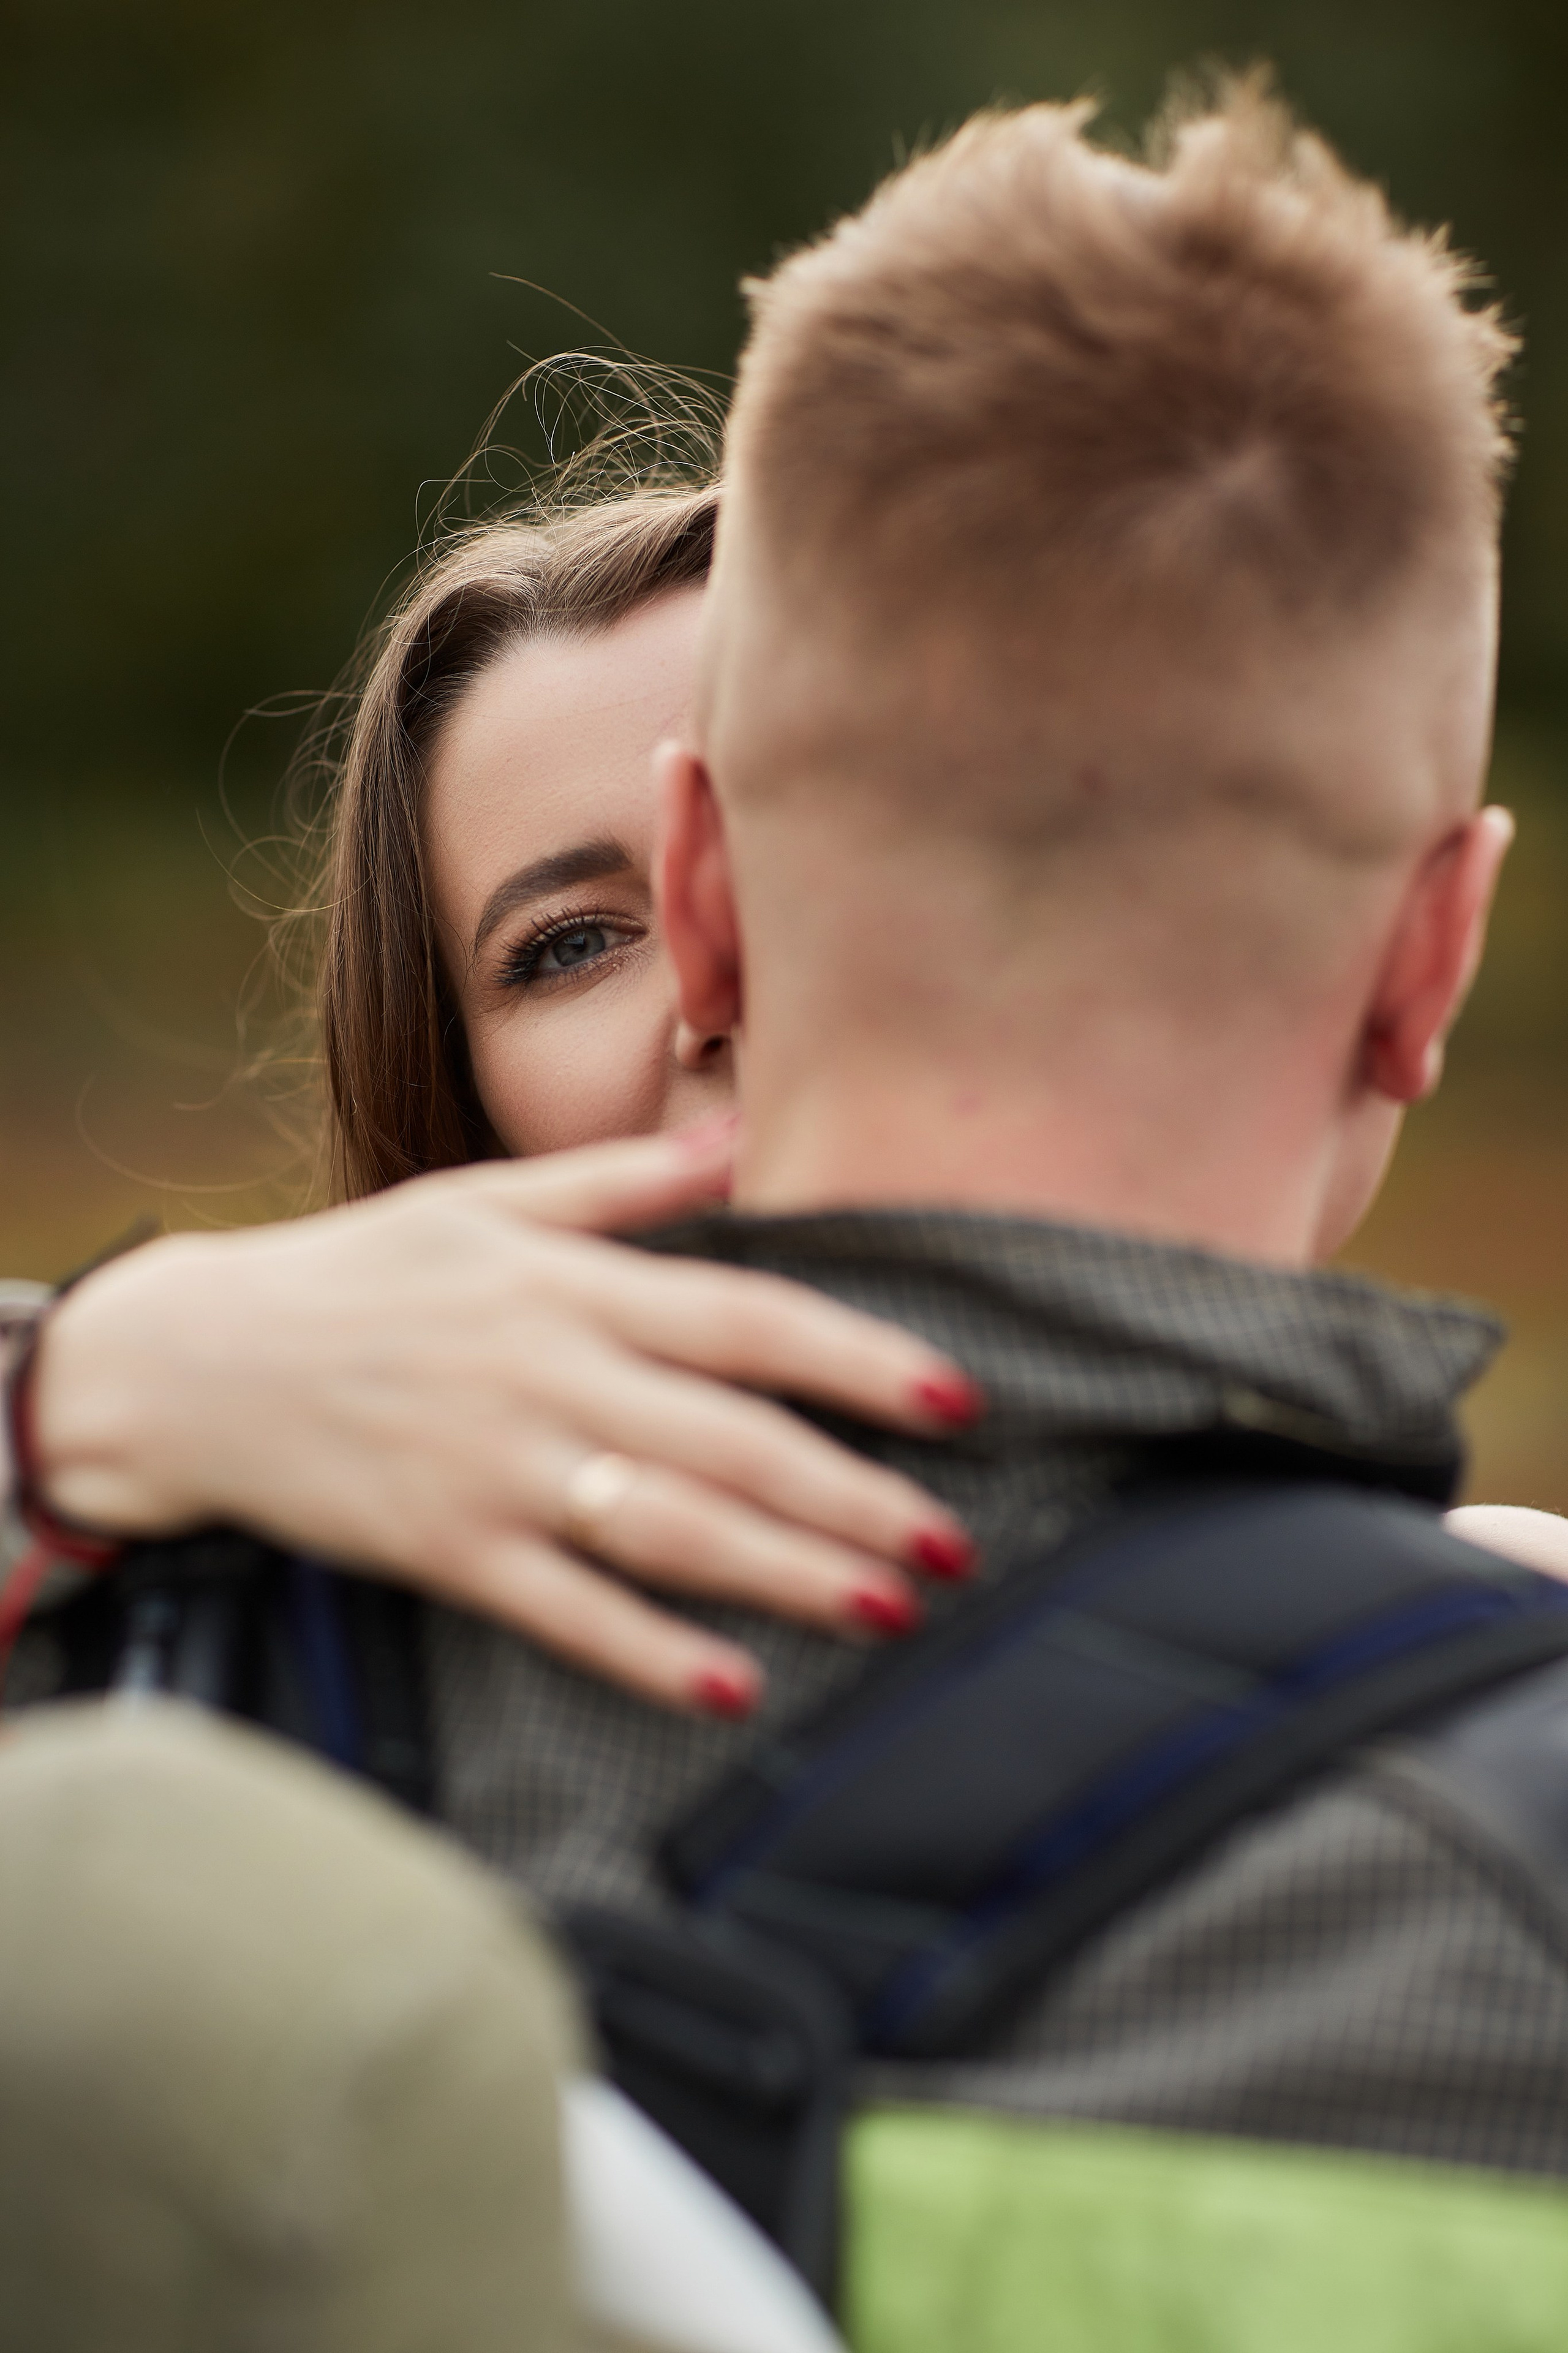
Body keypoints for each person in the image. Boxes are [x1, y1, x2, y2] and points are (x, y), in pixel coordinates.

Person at [410, 75, 1568, 2179]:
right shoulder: (1519, 1824)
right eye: (549, 947)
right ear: (1435, 957)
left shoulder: (188, 1661)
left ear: (711, 891)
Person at [4, 489, 983, 1720]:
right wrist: (91, 1380)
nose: (706, 994)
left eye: (781, 855)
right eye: (570, 944)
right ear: (460, 1108)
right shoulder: (281, 1647)